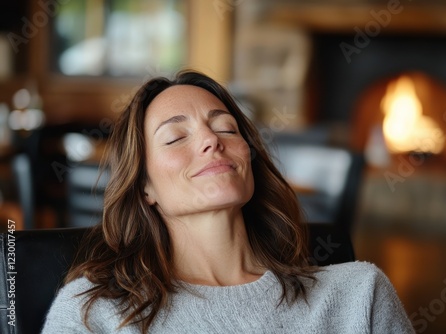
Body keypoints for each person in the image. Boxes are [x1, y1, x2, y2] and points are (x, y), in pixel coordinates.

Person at [42, 70, 415, 333]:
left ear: (247, 158)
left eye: (226, 128)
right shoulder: (97, 312)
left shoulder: (359, 293)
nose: (211, 140)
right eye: (175, 137)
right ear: (144, 188)